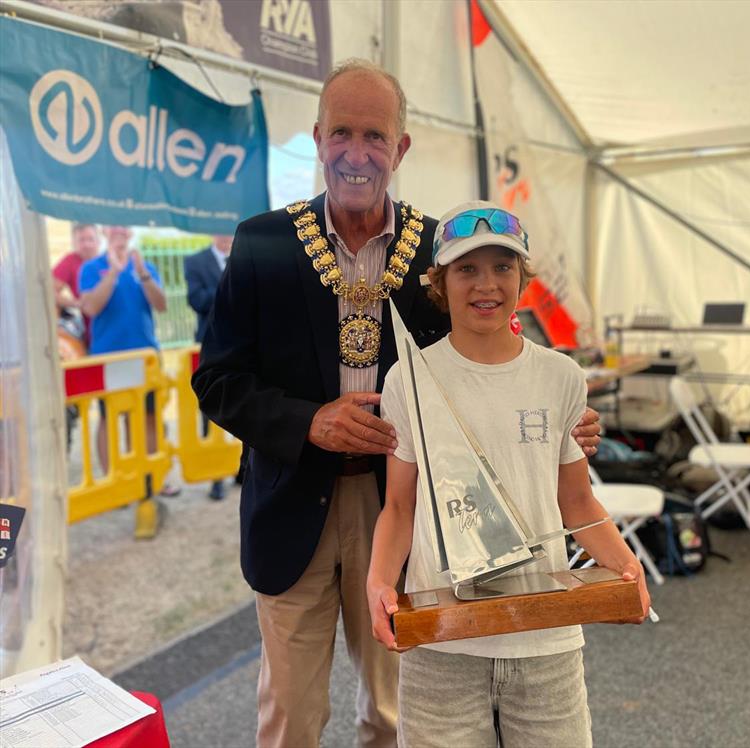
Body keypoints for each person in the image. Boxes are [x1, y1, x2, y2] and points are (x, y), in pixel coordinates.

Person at [192, 59, 601, 748]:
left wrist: (561, 414)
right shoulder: (263, 242)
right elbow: (217, 380)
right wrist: (309, 421)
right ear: (318, 139)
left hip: (408, 509)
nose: (357, 154)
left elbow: (494, 356)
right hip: (291, 505)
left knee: (392, 710)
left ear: (400, 148)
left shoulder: (443, 249)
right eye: (342, 134)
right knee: (290, 715)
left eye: (375, 136)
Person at [366, 201, 650, 748]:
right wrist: (379, 583)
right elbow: (400, 506)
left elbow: (578, 503)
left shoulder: (561, 376)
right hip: (443, 640)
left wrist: (625, 564)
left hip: (545, 639)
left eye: (503, 267)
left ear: (523, 278)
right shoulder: (409, 380)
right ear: (439, 282)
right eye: (466, 269)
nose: (486, 284)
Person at [79, 225, 179, 496]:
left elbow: (161, 305)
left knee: (149, 416)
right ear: (103, 231)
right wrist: (113, 271)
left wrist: (143, 273)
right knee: (109, 418)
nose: (119, 230)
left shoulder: (144, 265)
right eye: (113, 226)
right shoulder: (91, 268)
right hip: (109, 357)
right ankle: (114, 484)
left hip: (145, 356)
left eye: (123, 225)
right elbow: (90, 307)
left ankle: (152, 479)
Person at [184, 235, 237, 500]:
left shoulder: (246, 256)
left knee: (246, 402)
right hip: (209, 342)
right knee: (212, 409)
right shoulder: (195, 261)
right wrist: (232, 288)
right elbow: (197, 300)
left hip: (243, 342)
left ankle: (241, 467)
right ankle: (215, 475)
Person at [52, 222, 100, 348]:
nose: (87, 244)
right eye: (81, 240)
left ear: (98, 241)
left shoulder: (109, 261)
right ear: (74, 243)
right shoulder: (71, 261)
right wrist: (75, 303)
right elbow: (49, 291)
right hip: (93, 334)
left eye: (90, 239)